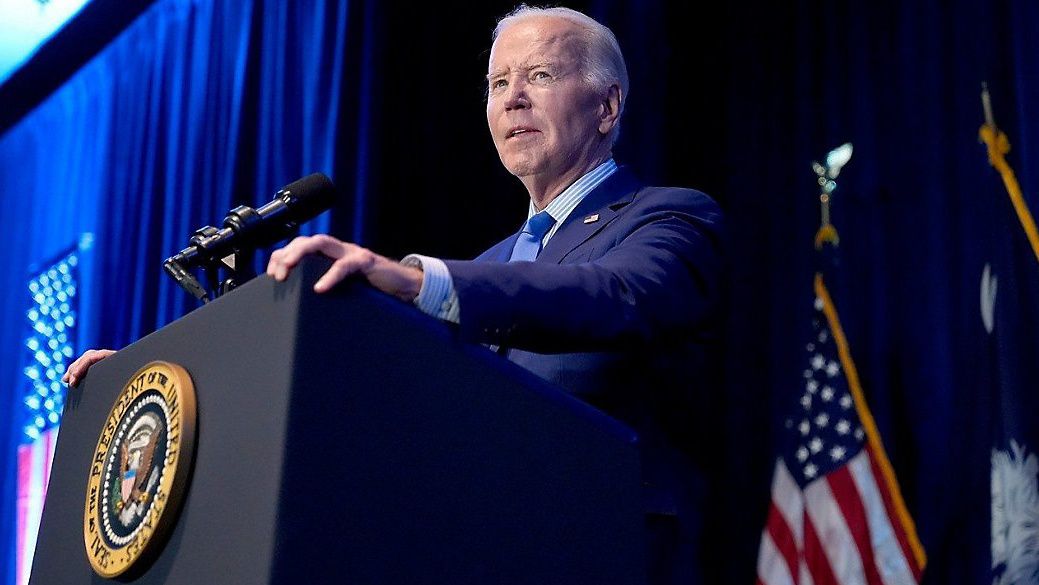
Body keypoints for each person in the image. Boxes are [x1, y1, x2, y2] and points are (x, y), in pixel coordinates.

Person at [65, 5, 724, 584]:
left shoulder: (668, 217)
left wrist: (413, 279)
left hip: (606, 553)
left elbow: (617, 294)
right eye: (498, 83)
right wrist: (147, 386)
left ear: (607, 105)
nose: (512, 98)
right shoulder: (487, 265)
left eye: (540, 76)